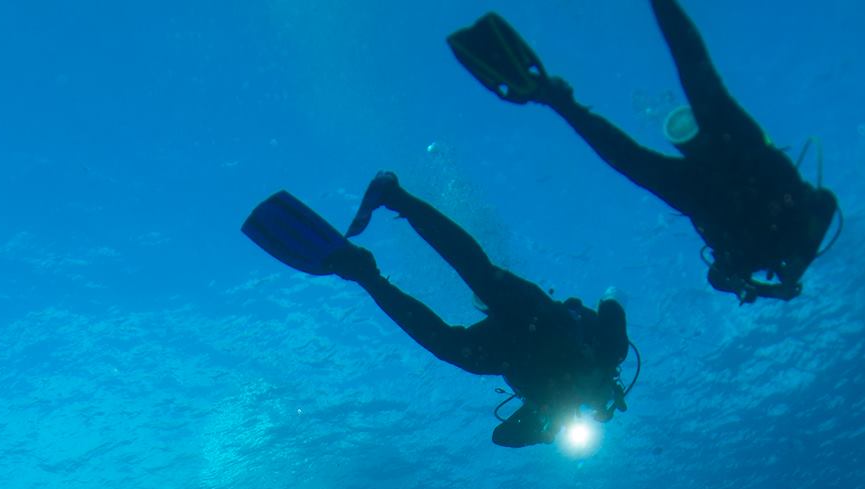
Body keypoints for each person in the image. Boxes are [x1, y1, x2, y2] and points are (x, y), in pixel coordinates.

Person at [448, 4, 840, 304]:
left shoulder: (758, 254)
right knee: (695, 82)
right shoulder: (796, 233)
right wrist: (785, 277)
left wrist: (766, 287)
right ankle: (556, 98)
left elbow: (719, 278)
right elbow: (826, 201)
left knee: (649, 136)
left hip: (713, 192)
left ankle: (556, 99)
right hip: (744, 163)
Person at [242, 178, 633, 448]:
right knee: (480, 274)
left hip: (507, 351)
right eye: (602, 397)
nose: (592, 399)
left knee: (447, 346)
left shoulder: (552, 409)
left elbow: (501, 438)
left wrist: (546, 431)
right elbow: (611, 298)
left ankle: (365, 274)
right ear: (612, 388)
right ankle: (395, 196)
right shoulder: (610, 351)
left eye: (595, 405)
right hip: (543, 320)